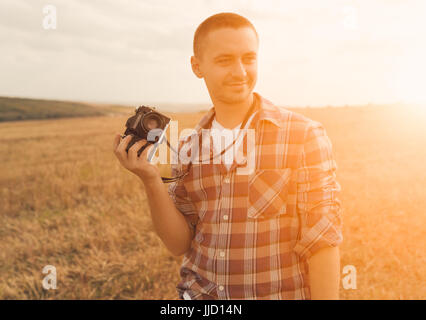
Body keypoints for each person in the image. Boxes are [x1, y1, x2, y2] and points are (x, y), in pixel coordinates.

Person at [113, 12, 343, 300]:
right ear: (197, 66)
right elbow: (180, 243)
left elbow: (322, 241)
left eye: (248, 58)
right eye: (225, 60)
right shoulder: (188, 146)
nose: (240, 71)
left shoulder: (303, 135)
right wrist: (150, 180)